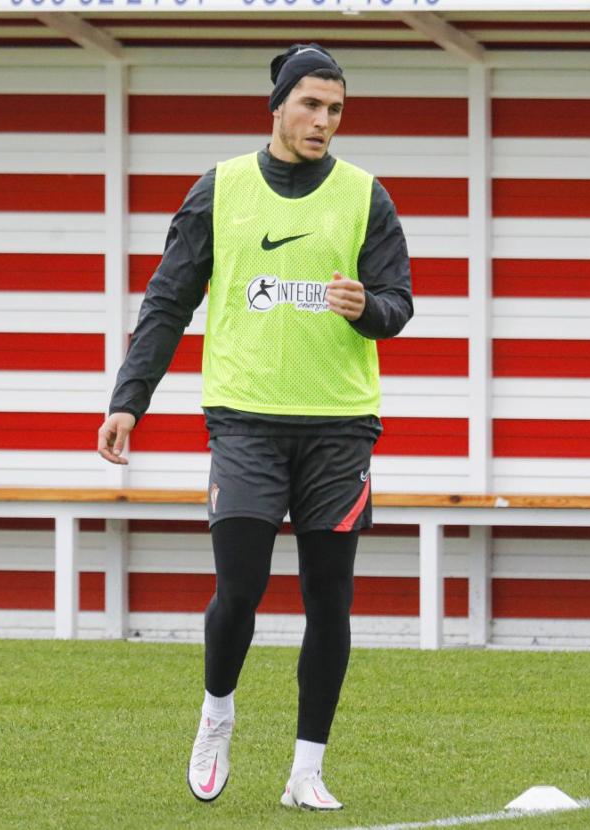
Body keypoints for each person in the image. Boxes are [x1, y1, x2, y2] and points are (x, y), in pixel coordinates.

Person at [96, 43, 412, 812]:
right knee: (239, 589)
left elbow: (398, 305)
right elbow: (169, 302)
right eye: (310, 104)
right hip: (244, 423)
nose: (323, 121)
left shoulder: (368, 197)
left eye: (335, 109)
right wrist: (127, 398)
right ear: (277, 105)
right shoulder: (221, 190)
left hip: (340, 428)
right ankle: (217, 715)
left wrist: (365, 309)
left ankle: (307, 770)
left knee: (328, 600)